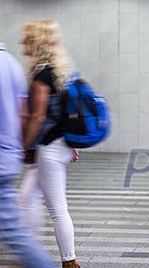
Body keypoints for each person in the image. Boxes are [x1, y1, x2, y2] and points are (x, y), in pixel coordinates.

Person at [19, 20, 80, 268]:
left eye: (26, 38)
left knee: (56, 208)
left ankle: (70, 261)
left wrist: (23, 147)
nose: (22, 42)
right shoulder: (59, 71)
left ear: (36, 41)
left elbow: (38, 117)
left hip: (50, 148)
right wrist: (71, 143)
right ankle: (27, 250)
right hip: (59, 146)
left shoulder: (43, 74)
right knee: (26, 197)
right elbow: (68, 112)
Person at [0, 41, 57, 268]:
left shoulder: (40, 72)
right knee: (15, 232)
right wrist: (19, 148)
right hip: (7, 157)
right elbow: (23, 114)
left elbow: (35, 116)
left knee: (16, 233)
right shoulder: (11, 63)